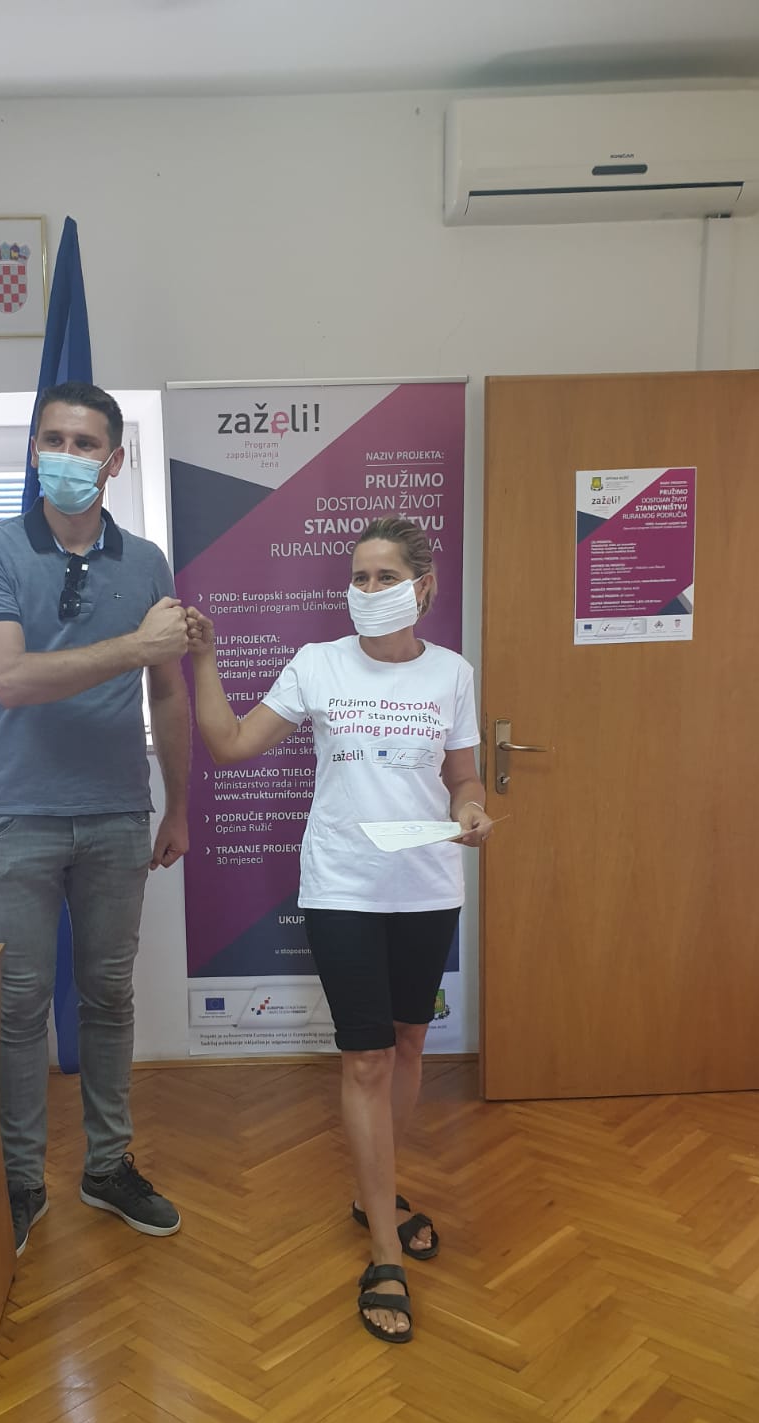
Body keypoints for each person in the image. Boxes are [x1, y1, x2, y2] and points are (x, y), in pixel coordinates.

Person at [186, 517, 494, 1343]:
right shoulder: (317, 663)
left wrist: (470, 810)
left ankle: (373, 1192)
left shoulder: (452, 673)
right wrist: (206, 660)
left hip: (426, 886)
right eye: (359, 576)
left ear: (424, 587)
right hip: (343, 887)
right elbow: (230, 744)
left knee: (409, 1043)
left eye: (384, 576)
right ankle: (384, 1249)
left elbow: (464, 776)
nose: (368, 590)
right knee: (365, 1058)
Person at [0, 380, 189, 1257]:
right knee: (19, 1007)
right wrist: (134, 646)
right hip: (17, 814)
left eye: (85, 443)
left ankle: (107, 1165)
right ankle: (20, 1180)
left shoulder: (148, 563)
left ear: (114, 461)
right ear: (32, 450)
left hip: (119, 813)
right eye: (52, 439)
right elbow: (12, 680)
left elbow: (168, 692)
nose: (66, 455)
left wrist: (180, 805)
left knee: (109, 997)